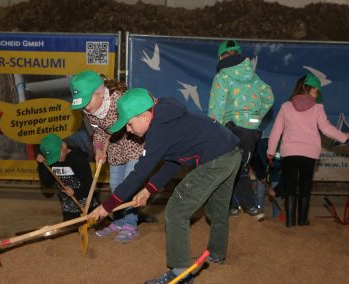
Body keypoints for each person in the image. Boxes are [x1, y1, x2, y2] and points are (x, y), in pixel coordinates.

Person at [87, 88, 242, 284]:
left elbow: (139, 173)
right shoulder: (166, 120)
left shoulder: (158, 131)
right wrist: (148, 190)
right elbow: (174, 161)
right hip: (231, 153)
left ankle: (180, 275)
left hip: (215, 160)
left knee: (177, 210)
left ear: (144, 116)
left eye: (129, 124)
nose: (128, 130)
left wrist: (106, 206)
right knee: (217, 209)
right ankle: (217, 253)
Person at [267, 73, 349, 227]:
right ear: (311, 89)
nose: (317, 93)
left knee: (290, 186)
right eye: (317, 90)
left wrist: (271, 151)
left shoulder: (286, 106)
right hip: (309, 153)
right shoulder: (318, 108)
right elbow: (326, 129)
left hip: (290, 152)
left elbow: (276, 131)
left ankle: (290, 223)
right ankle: (303, 222)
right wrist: (344, 137)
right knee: (305, 186)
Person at [70, 70, 144, 243]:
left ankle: (131, 225)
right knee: (115, 186)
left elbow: (136, 122)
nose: (85, 107)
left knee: (128, 185)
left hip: (134, 142)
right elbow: (98, 131)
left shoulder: (119, 100)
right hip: (115, 149)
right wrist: (98, 149)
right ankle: (118, 222)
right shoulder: (88, 109)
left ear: (100, 92)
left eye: (87, 101)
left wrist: (113, 135)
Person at [208, 39, 274, 220]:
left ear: (221, 57)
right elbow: (269, 96)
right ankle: (243, 207)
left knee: (227, 168)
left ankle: (243, 207)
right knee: (238, 167)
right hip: (252, 132)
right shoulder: (254, 77)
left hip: (231, 128)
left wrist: (213, 132)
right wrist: (256, 117)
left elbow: (216, 108)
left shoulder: (222, 77)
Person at [36, 133, 98, 221]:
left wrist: (75, 192)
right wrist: (42, 165)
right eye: (53, 157)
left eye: (57, 155)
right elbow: (47, 184)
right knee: (70, 231)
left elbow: (90, 185)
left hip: (88, 207)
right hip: (68, 210)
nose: (57, 160)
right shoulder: (51, 161)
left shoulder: (78, 158)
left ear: (63, 146)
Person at [253, 137, 283, 219]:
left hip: (277, 173)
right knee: (260, 193)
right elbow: (255, 162)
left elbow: (287, 174)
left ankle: (276, 218)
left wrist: (276, 190)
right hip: (262, 170)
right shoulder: (260, 147)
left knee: (277, 196)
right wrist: (261, 175)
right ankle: (259, 215)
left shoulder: (284, 150)